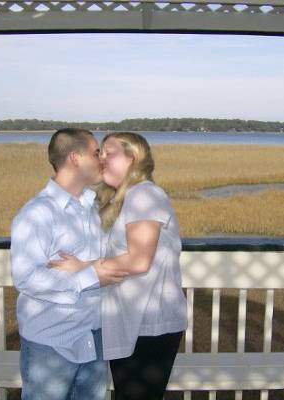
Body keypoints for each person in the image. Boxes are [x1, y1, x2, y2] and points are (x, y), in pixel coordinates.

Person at [50, 131, 188, 400]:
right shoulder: (124, 198)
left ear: (133, 157)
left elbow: (139, 260)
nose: (101, 157)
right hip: (134, 321)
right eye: (99, 152)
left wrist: (81, 267)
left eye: (109, 152)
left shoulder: (145, 194)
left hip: (150, 324)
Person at [10, 128, 128, 400]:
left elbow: (109, 260)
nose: (102, 159)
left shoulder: (93, 207)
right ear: (75, 158)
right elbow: (26, 277)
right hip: (52, 342)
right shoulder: (37, 214)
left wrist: (90, 268)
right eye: (96, 152)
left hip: (93, 336)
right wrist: (90, 276)